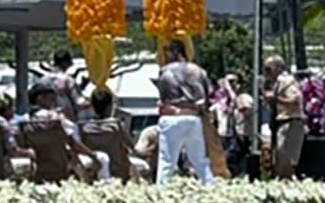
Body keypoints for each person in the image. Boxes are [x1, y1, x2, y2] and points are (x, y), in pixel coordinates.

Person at [154, 39, 215, 185]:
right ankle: (210, 188)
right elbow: (208, 96)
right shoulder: (199, 71)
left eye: (167, 52)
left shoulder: (165, 70)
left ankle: (161, 192)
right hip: (193, 117)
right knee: (200, 161)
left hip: (172, 117)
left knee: (167, 161)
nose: (165, 56)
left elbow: (163, 99)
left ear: (175, 52)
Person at [25, 78, 109, 180]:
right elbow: (73, 143)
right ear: (40, 98)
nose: (54, 102)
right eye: (51, 99)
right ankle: (105, 186)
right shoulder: (55, 118)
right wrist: (92, 156)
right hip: (65, 163)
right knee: (102, 157)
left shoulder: (26, 122)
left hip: (40, 166)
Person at [81, 88, 150, 180]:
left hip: (96, 170)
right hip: (119, 169)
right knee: (145, 167)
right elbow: (131, 146)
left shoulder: (86, 127)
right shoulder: (116, 125)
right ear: (110, 106)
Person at [262, 56, 305, 178]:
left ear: (279, 68)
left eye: (268, 69)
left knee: (285, 159)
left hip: (290, 123)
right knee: (279, 158)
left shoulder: (287, 82)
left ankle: (288, 183)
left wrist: (276, 99)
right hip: (281, 123)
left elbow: (295, 101)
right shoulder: (277, 83)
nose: (266, 72)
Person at [212, 73, 255, 177]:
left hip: (240, 137)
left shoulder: (244, 98)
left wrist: (230, 92)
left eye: (232, 82)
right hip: (223, 137)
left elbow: (243, 108)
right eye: (226, 82)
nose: (228, 85)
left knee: (231, 162)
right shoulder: (221, 102)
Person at [48, 50, 90, 121]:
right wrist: (92, 103)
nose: (72, 63)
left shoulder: (44, 80)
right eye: (69, 61)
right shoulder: (68, 80)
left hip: (49, 120)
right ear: (64, 62)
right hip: (67, 121)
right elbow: (79, 102)